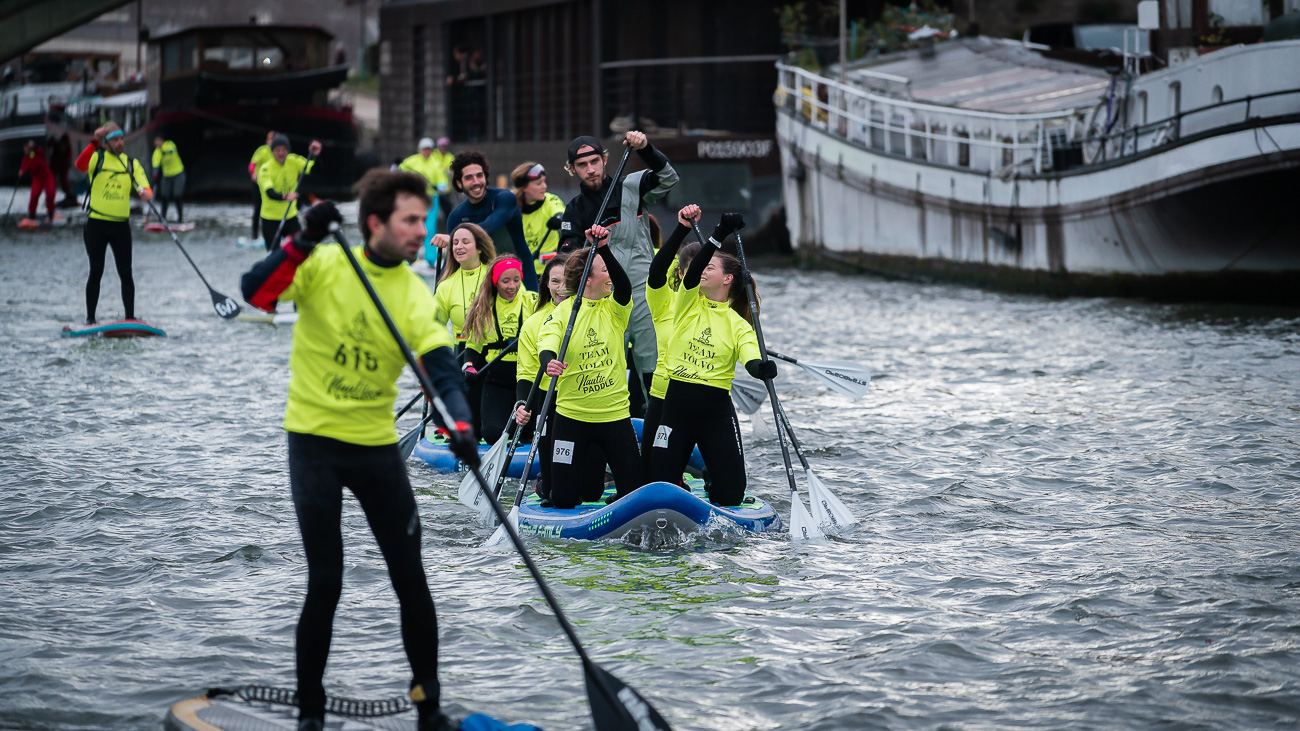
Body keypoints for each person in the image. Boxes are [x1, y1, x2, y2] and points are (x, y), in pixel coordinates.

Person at [238, 170, 476, 731]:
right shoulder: (324, 266)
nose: (423, 230)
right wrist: (299, 241)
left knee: (411, 580)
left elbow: (441, 367)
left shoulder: (414, 293)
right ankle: (311, 715)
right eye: (410, 220)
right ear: (375, 223)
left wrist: (462, 423)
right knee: (328, 580)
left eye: (424, 219)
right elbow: (256, 293)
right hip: (316, 444)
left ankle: (428, 710)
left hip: (374, 449)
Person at [646, 214, 777, 507]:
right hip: (675, 404)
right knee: (657, 487)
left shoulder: (739, 324)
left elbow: (750, 357)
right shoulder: (686, 303)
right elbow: (690, 275)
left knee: (731, 494)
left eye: (710, 268)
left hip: (716, 410)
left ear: (727, 279)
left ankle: (712, 478)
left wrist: (761, 368)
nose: (701, 271)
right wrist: (718, 233)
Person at [557, 131, 678, 417]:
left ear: (605, 160)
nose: (591, 169)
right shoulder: (574, 210)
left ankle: (660, 417)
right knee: (608, 360)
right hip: (605, 299)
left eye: (595, 162)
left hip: (643, 291)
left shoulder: (633, 186)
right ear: (572, 169)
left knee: (651, 357)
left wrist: (645, 148)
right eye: (582, 165)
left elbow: (670, 178)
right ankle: (611, 418)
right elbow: (568, 259)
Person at [536, 225, 644, 509]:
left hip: (615, 418)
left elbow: (624, 286)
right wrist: (549, 362)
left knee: (633, 493)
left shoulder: (615, 309)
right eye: (603, 271)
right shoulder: (564, 311)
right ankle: (547, 485)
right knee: (563, 500)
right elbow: (547, 341)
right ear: (587, 279)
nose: (609, 274)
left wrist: (605, 248)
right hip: (571, 419)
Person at [641, 203, 701, 473]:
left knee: (729, 491)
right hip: (664, 396)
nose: (698, 280)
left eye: (705, 271)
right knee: (651, 471)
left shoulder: (726, 309)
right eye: (693, 272)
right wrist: (681, 229)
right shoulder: (664, 302)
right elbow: (656, 271)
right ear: (679, 273)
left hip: (705, 399)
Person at [73, 122, 153, 324]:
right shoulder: (97, 158)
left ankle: (130, 318)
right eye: (115, 139)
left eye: (121, 139)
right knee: (96, 271)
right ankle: (90, 319)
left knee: (126, 273)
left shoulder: (130, 164)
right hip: (97, 225)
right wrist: (94, 141)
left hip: (120, 227)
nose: (120, 143)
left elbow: (146, 187)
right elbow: (80, 165)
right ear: (106, 143)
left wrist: (145, 194)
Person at [432, 151, 539, 293]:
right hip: (486, 285)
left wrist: (454, 237)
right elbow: (452, 262)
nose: (476, 182)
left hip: (521, 279)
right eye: (469, 178)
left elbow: (490, 227)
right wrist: (439, 292)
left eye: (479, 175)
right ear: (459, 183)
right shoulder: (456, 216)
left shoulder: (504, 198)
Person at [462, 256, 537, 441]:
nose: (512, 286)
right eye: (506, 281)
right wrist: (468, 366)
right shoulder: (484, 307)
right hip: (497, 381)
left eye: (516, 280)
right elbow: (473, 346)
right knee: (492, 434)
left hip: (528, 381)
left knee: (528, 434)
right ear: (495, 282)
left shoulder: (533, 301)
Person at [257, 134, 322, 251]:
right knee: (274, 255)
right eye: (277, 150)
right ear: (272, 152)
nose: (281, 153)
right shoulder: (265, 168)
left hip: (290, 217)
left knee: (301, 250)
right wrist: (285, 196)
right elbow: (270, 193)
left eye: (284, 150)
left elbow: (315, 169)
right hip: (270, 220)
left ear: (288, 151)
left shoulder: (293, 160)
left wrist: (314, 155)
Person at [511, 162, 566, 277]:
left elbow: (561, 214)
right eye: (538, 183)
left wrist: (558, 218)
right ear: (524, 187)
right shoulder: (511, 208)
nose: (544, 186)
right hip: (521, 274)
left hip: (549, 273)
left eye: (544, 182)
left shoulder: (551, 200)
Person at [399, 137, 450, 259]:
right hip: (415, 198)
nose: (426, 151)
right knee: (411, 226)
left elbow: (442, 180)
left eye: (428, 149)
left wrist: (440, 187)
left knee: (430, 228)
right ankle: (411, 256)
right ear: (419, 149)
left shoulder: (435, 163)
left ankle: (430, 259)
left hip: (431, 198)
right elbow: (399, 171)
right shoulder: (412, 161)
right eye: (424, 149)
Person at [150, 136, 186, 223]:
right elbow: (156, 162)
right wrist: (155, 172)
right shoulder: (157, 152)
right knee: (164, 196)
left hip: (178, 174)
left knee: (177, 196)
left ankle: (180, 218)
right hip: (167, 176)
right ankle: (163, 218)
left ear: (161, 141)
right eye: (155, 143)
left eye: (158, 142)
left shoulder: (169, 144)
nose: (157, 144)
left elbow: (171, 150)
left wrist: (163, 150)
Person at [18, 140, 55, 222]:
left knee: (50, 195)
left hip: (47, 177)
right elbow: (23, 169)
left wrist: (33, 147)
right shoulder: (26, 159)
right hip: (37, 179)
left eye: (26, 149)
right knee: (34, 196)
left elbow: (41, 151)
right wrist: (21, 172)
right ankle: (31, 215)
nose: (25, 151)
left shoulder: (37, 152)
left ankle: (50, 214)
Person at [249, 131, 276, 239]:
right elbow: (252, 164)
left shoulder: (279, 152)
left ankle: (273, 234)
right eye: (270, 139)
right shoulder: (262, 150)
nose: (271, 142)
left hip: (272, 185)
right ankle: (254, 234)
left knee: (272, 209)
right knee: (257, 209)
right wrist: (253, 173)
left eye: (273, 139)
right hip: (259, 184)